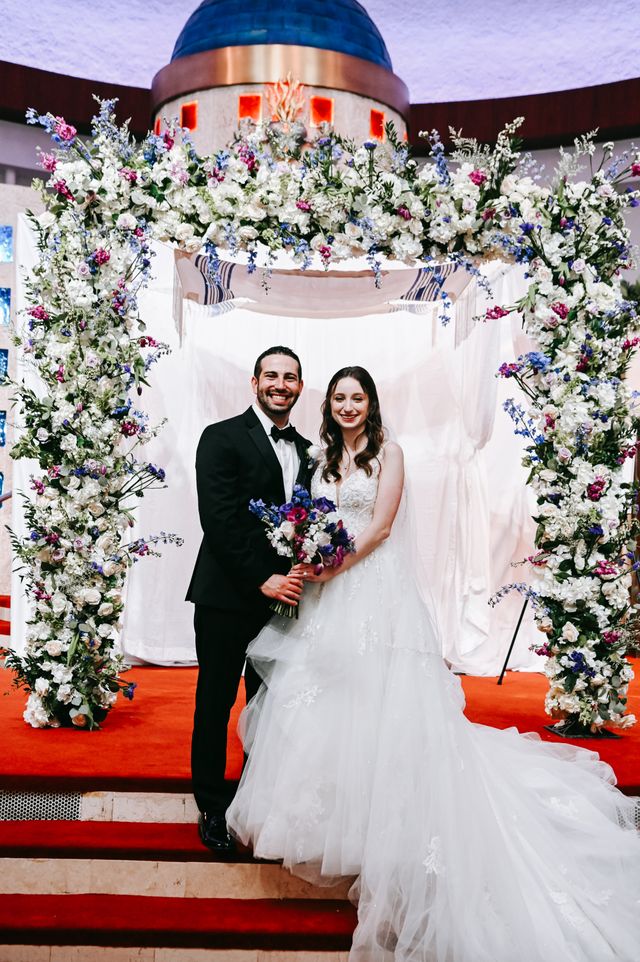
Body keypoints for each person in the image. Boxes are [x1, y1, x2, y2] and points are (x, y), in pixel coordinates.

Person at [227, 366, 640, 961]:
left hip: (373, 590)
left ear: (371, 404)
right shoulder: (318, 461)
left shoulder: (388, 454)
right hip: (326, 593)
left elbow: (382, 525)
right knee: (327, 696)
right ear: (331, 404)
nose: (348, 406)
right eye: (339, 397)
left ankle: (386, 822)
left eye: (357, 397)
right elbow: (312, 521)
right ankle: (336, 820)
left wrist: (334, 564)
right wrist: (308, 555)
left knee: (383, 698)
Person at [186, 346, 312, 852]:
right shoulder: (220, 437)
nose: (280, 384)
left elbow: (310, 522)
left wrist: (301, 571)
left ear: (301, 387)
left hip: (284, 599)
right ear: (255, 381)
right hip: (227, 594)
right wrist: (263, 578)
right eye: (272, 375)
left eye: (291, 377)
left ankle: (257, 802)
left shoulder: (308, 449)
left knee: (270, 704)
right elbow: (218, 519)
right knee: (216, 700)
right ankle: (212, 808)